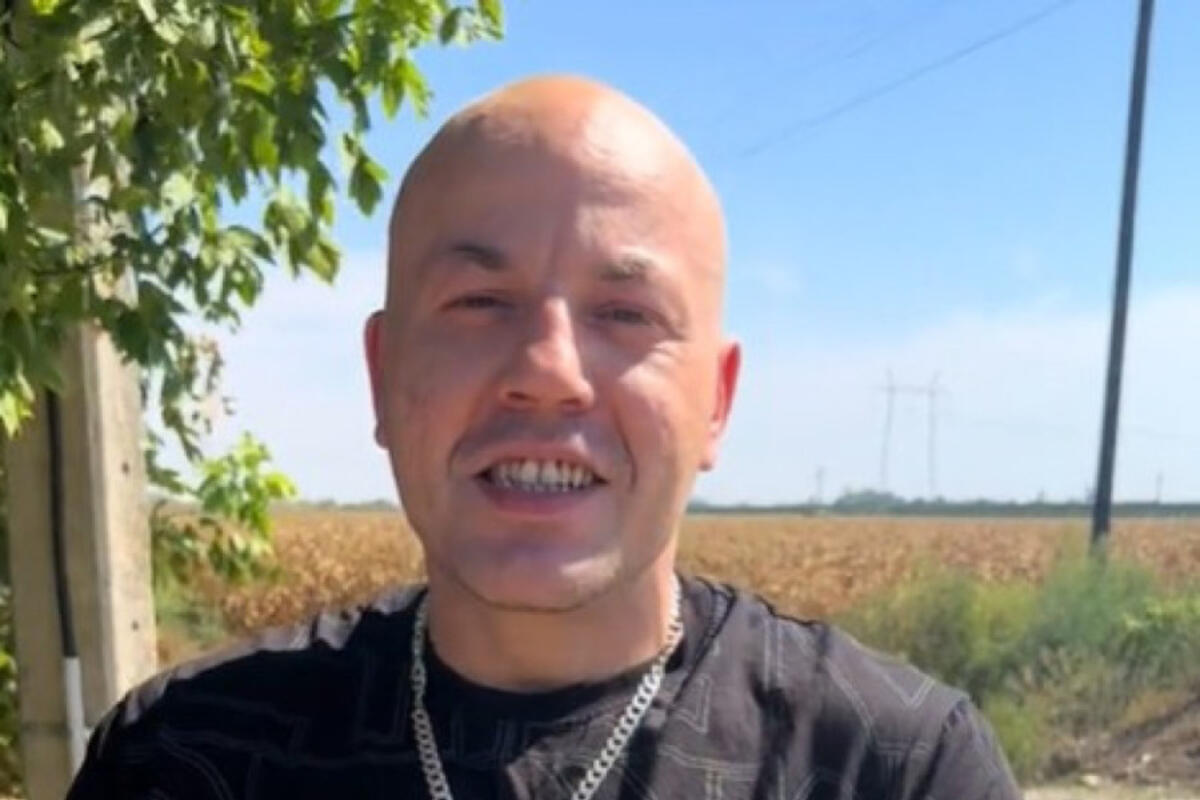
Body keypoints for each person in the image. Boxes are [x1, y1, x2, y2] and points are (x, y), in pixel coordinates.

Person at [67, 75, 1021, 799]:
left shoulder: (890, 769)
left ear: (717, 403)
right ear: (383, 374)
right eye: (481, 301)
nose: (549, 368)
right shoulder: (188, 761)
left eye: (625, 313)